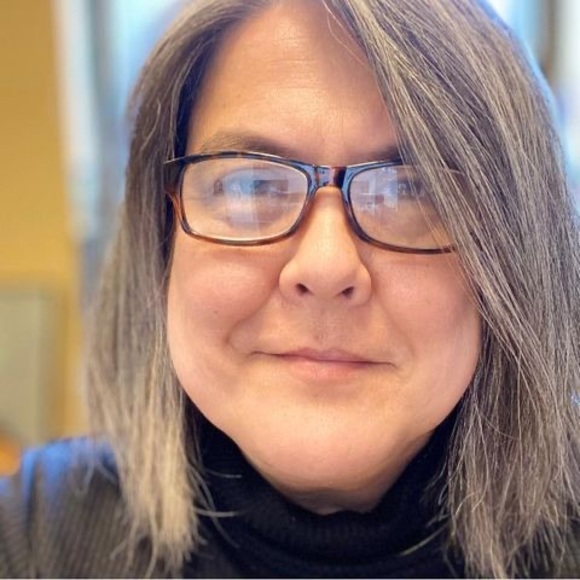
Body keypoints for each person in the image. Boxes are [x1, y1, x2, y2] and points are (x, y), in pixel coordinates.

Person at [1, 0, 579, 577]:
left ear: (514, 253)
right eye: (250, 185)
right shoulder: (33, 540)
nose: (326, 266)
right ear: (162, 236)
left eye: (411, 190)